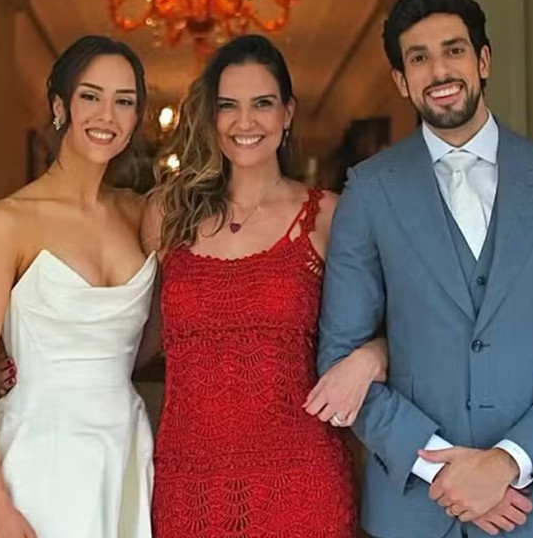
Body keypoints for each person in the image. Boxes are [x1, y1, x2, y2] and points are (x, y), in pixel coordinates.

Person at [317, 0, 533, 538]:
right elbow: (340, 358)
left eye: (454, 50)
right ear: (401, 80)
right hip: (415, 511)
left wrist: (506, 463)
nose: (439, 70)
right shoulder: (368, 191)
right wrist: (446, 474)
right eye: (419, 58)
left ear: (483, 61)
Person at [139, 34, 386, 537]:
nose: (244, 122)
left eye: (262, 104)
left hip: (300, 478)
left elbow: (409, 318)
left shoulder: (329, 215)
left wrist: (370, 359)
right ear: (211, 116)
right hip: (188, 482)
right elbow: (142, 335)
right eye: (228, 106)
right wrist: (45, 365)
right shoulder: (166, 214)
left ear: (287, 113)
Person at [0, 35, 156, 538]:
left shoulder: (142, 215)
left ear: (136, 118)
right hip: (36, 461)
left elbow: (155, 333)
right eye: (90, 96)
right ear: (60, 106)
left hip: (122, 454)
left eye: (124, 101)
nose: (107, 115)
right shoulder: (8, 223)